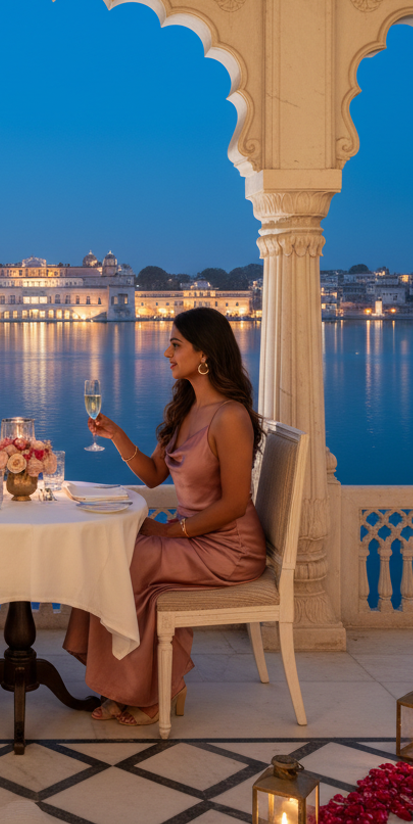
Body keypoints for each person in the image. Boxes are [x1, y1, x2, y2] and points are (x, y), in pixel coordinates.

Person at [63, 307, 267, 727]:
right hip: (195, 538)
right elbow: (155, 476)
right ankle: (121, 686)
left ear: (204, 354)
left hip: (230, 548)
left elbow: (233, 504)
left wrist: (175, 532)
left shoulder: (231, 417)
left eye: (176, 345)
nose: (165, 353)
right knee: (110, 547)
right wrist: (117, 436)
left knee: (131, 560)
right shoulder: (186, 408)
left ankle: (151, 689)